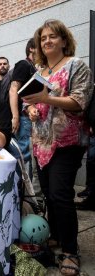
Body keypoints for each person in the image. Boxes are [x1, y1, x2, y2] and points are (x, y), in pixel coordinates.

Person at [23, 19, 94, 276]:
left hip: (67, 142)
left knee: (61, 196)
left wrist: (45, 98)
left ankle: (70, 251)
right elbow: (30, 102)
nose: (47, 41)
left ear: (64, 40)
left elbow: (79, 101)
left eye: (53, 36)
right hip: (41, 142)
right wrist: (31, 108)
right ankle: (55, 236)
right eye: (43, 38)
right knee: (49, 195)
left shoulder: (77, 65)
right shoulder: (41, 70)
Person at [9, 38, 37, 161]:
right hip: (23, 116)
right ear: (31, 48)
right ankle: (23, 181)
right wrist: (15, 116)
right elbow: (13, 89)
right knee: (24, 153)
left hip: (31, 116)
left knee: (28, 153)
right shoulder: (24, 64)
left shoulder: (34, 67)